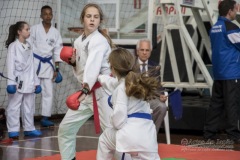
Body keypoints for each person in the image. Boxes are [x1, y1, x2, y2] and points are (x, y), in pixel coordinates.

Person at [58, 3, 115, 160]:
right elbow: (82, 71)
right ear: (82, 19)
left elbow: (93, 68)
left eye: (96, 17)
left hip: (102, 93)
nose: (92, 20)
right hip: (87, 93)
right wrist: (74, 62)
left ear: (99, 20)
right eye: (89, 16)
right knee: (66, 128)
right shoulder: (78, 41)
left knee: (113, 135)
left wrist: (83, 92)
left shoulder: (99, 41)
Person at [97, 48, 160, 160]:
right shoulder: (138, 83)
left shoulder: (121, 89)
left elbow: (118, 121)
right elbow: (112, 83)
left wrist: (112, 118)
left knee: (104, 139)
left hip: (131, 136)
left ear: (113, 68)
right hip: (149, 138)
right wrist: (100, 78)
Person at [203, 0, 240, 144]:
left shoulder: (214, 27)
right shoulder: (230, 27)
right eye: (235, 10)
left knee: (216, 104)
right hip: (231, 73)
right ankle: (233, 135)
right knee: (232, 104)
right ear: (229, 11)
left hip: (218, 73)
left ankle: (209, 133)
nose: (236, 12)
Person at [5, 21, 42, 139]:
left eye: (29, 29)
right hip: (17, 81)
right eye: (27, 29)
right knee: (14, 106)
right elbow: (10, 65)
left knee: (29, 106)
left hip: (30, 80)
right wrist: (11, 82)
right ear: (19, 32)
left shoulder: (29, 45)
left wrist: (36, 82)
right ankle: (13, 130)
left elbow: (32, 65)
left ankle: (29, 128)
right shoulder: (13, 46)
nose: (29, 31)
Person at [30, 5, 63, 127]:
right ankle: (29, 118)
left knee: (48, 92)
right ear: (41, 16)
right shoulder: (34, 29)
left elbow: (57, 51)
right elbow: (29, 48)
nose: (48, 16)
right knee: (31, 91)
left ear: (52, 15)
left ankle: (45, 118)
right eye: (45, 14)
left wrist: (57, 69)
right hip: (35, 63)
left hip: (48, 65)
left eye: (50, 14)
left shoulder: (55, 32)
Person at [136, 39, 168, 133]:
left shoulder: (155, 66)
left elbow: (158, 86)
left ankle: (152, 134)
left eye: (147, 50)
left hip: (151, 99)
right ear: (137, 51)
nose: (144, 53)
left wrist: (161, 95)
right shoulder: (131, 66)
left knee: (162, 107)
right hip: (135, 98)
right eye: (142, 50)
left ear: (150, 52)